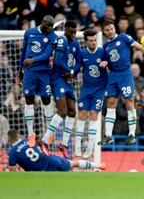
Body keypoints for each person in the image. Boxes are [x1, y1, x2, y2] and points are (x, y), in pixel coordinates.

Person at [98, 21, 144, 145]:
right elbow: (107, 63)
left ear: (115, 29)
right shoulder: (105, 46)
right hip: (113, 75)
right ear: (104, 32)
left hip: (125, 74)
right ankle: (108, 135)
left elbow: (140, 47)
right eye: (107, 30)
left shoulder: (124, 37)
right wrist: (104, 64)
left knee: (129, 101)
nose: (110, 31)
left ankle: (132, 134)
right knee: (111, 102)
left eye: (111, 29)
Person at [40, 20, 81, 159]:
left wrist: (73, 73)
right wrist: (69, 71)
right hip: (57, 78)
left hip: (67, 79)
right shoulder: (62, 40)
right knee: (62, 111)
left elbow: (79, 62)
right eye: (72, 31)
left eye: (76, 31)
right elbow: (57, 61)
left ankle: (63, 144)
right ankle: (45, 140)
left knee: (72, 111)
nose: (74, 34)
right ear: (66, 29)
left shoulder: (75, 43)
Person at [17, 15, 57, 148]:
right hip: (29, 72)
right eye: (48, 26)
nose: (50, 29)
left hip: (44, 72)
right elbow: (23, 52)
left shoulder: (52, 36)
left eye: (52, 26)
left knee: (46, 99)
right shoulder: (29, 32)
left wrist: (33, 60)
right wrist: (20, 71)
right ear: (42, 22)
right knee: (29, 100)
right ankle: (30, 133)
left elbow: (47, 54)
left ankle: (49, 133)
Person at [75, 28, 108, 158]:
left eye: (95, 40)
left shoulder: (103, 52)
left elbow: (112, 65)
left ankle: (89, 148)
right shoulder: (82, 53)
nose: (94, 42)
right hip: (86, 89)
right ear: (86, 41)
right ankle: (78, 147)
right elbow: (77, 68)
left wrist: (108, 64)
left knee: (94, 115)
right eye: (91, 40)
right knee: (82, 115)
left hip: (99, 90)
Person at [7, 129, 105, 172]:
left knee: (67, 176)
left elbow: (13, 171)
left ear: (9, 138)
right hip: (50, 160)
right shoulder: (27, 140)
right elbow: (41, 150)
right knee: (73, 163)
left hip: (40, 171)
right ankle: (98, 165)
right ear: (18, 135)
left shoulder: (12, 152)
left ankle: (91, 172)